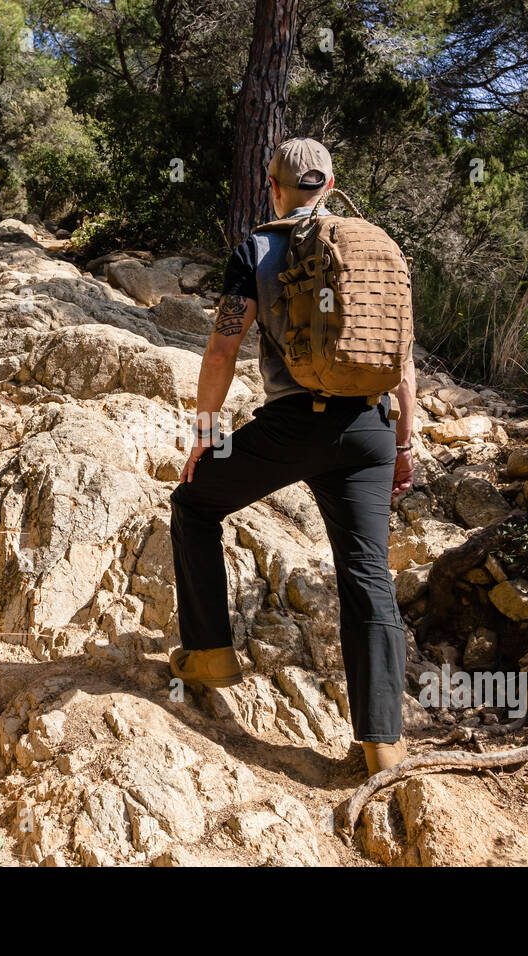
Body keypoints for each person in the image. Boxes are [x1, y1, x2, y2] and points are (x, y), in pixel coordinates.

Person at [167, 137, 417, 777]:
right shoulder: (371, 249)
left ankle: (210, 653)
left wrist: (205, 433)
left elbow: (224, 348)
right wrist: (405, 443)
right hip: (370, 428)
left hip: (292, 426)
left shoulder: (256, 247)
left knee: (195, 504)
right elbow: (402, 361)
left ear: (272, 187)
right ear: (329, 188)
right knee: (368, 577)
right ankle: (382, 743)